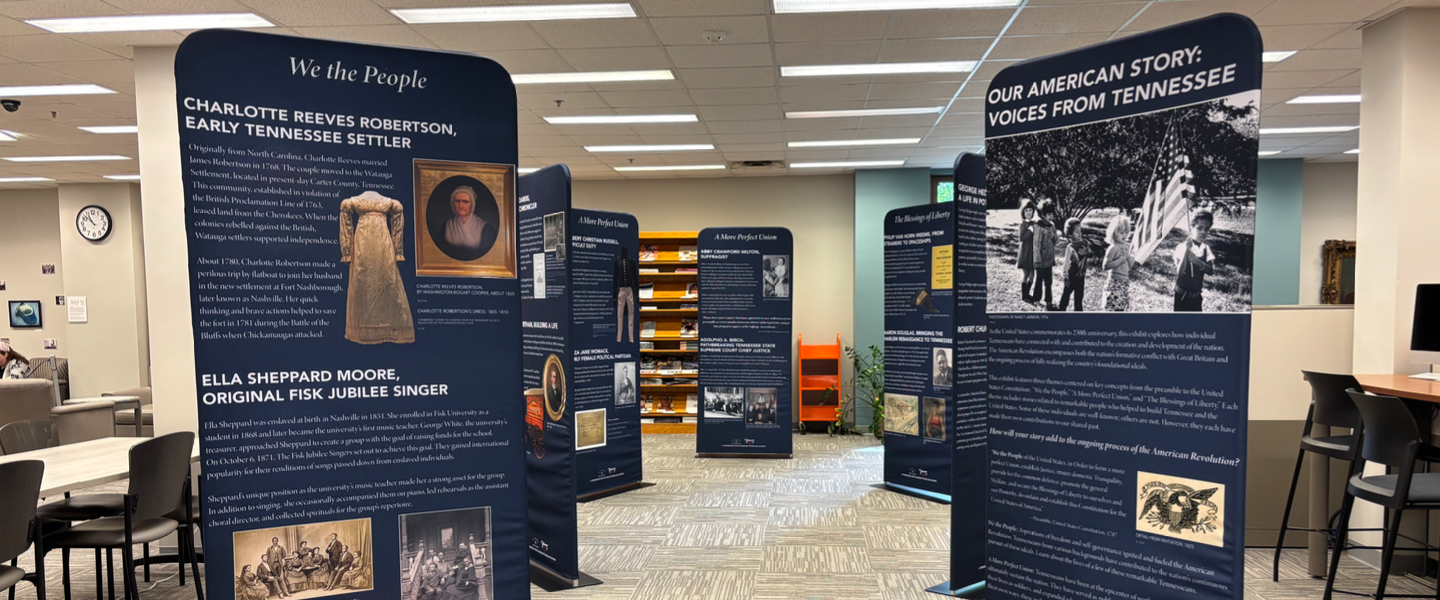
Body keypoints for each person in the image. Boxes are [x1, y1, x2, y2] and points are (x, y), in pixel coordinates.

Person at [1172, 210, 1216, 312]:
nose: (1203, 232)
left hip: (1196, 297)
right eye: (1199, 228)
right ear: (1191, 227)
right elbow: (1179, 273)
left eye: (1206, 229)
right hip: (1181, 297)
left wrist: (1197, 261)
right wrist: (1186, 251)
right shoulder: (1181, 247)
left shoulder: (1206, 248)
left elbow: (1210, 271)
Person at [443, 185, 495, 252]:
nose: (461, 206)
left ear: (472, 204)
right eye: (457, 201)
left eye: (465, 202)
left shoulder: (485, 228)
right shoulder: (447, 225)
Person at [1028, 200, 1058, 310]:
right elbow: (1036, 245)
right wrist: (1037, 261)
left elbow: (1055, 242)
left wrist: (1053, 236)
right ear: (1042, 215)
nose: (1051, 217)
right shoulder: (1038, 227)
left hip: (1049, 259)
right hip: (1040, 261)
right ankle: (1036, 299)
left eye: (1052, 214)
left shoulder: (1052, 226)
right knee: (1039, 280)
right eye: (1048, 214)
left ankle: (1049, 301)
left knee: (1049, 282)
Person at [1101, 214, 1134, 312]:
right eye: (1121, 232)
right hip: (1115, 282)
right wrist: (1120, 260)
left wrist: (1128, 256)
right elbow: (1105, 266)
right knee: (1113, 308)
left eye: (1126, 232)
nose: (1124, 235)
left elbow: (1131, 265)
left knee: (1121, 308)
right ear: (1114, 232)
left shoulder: (1127, 246)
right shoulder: (1113, 247)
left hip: (1124, 281)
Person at [1058, 217, 1090, 312]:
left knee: (1079, 297)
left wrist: (1087, 252)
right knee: (1066, 294)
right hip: (1071, 275)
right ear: (1070, 234)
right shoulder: (1070, 247)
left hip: (1081, 276)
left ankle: (1078, 314)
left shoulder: (1085, 243)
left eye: (1080, 230)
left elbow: (1089, 255)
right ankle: (1061, 311)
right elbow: (1066, 263)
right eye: (1076, 232)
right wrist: (1065, 276)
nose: (1079, 233)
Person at [613, 246, 637, 342]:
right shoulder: (617, 261)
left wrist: (636, 294)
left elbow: (635, 278)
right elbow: (615, 279)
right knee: (619, 315)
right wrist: (614, 297)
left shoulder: (631, 261)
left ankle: (631, 338)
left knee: (631, 314)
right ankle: (619, 338)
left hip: (629, 290)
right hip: (621, 290)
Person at [1016, 199, 1038, 302]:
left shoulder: (1034, 223)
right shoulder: (1022, 224)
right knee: (1025, 274)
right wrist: (1030, 230)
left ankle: (1027, 293)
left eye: (1030, 210)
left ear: (1033, 211)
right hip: (1025, 252)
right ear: (1023, 212)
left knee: (1032, 275)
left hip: (1032, 253)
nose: (1028, 213)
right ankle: (1024, 296)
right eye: (1026, 211)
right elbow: (1021, 238)